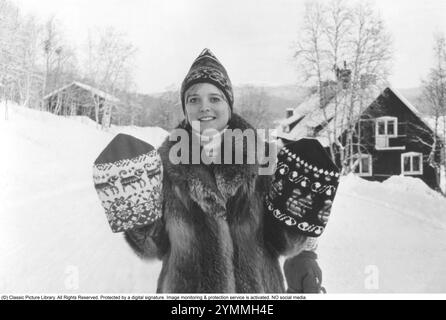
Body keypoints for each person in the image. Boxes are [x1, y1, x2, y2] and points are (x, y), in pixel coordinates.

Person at [122, 49, 311, 293]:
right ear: (185, 107)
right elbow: (152, 247)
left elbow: (284, 243)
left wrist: (300, 220)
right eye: (193, 99)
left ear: (228, 104)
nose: (204, 107)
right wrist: (136, 218)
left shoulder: (264, 159)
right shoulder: (164, 166)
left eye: (214, 98)